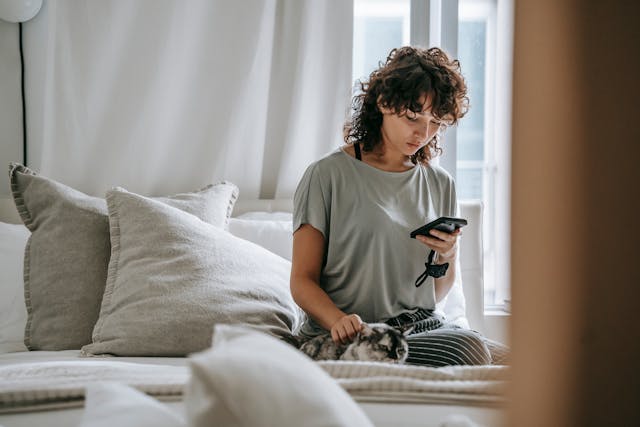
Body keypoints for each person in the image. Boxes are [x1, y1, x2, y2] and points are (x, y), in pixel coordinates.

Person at [290, 46, 508, 367]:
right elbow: (302, 280)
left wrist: (447, 256)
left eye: (436, 122)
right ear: (383, 103)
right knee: (469, 347)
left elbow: (434, 295)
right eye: (413, 117)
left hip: (421, 327)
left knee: (528, 364)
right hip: (347, 333)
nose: (424, 133)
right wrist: (337, 320)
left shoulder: (440, 183)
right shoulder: (326, 175)